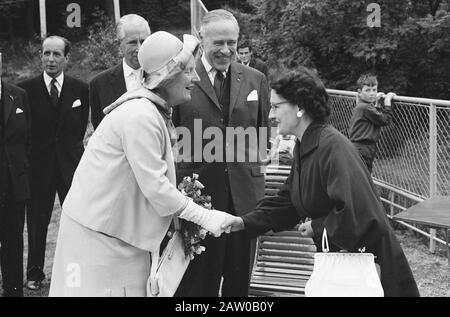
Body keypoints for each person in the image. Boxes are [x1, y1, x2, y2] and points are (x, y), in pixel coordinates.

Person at [49, 31, 234, 297]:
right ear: (168, 76)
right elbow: (157, 188)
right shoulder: (141, 116)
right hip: (98, 236)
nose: (195, 79)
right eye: (189, 72)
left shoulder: (151, 110)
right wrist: (208, 217)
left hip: (116, 233)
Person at [222, 67, 420, 297]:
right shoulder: (306, 143)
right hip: (341, 268)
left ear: (300, 107)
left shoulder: (333, 148)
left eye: (276, 106)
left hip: (371, 274)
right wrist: (242, 222)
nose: (270, 115)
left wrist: (317, 226)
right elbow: (286, 202)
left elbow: (361, 214)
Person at [173, 9, 270, 297]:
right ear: (202, 39)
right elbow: (172, 138)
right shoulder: (182, 79)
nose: (226, 50)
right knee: (198, 284)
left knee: (238, 285)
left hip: (244, 203)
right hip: (198, 202)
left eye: (232, 43)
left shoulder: (256, 80)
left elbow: (261, 138)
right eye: (218, 43)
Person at [17, 36, 89, 291]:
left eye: (57, 54)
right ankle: (35, 273)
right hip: (38, 167)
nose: (50, 59)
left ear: (67, 58)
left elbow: (79, 128)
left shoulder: (80, 89)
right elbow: (22, 130)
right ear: (40, 56)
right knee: (37, 222)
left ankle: (77, 270)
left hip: (70, 167)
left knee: (77, 221)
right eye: (46, 53)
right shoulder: (25, 89)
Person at [89, 14, 151, 129]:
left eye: (143, 41)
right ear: (119, 45)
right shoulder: (99, 84)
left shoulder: (162, 77)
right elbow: (100, 130)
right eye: (132, 42)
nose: (139, 48)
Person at [0, 74, 31, 297]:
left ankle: (13, 289)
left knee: (13, 241)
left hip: (14, 184)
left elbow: (28, 138)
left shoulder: (18, 95)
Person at [348, 74, 395, 174]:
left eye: (374, 90)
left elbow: (374, 117)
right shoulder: (366, 107)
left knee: (361, 177)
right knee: (364, 178)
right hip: (364, 148)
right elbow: (385, 120)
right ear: (359, 93)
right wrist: (387, 102)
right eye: (368, 90)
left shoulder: (362, 106)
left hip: (358, 147)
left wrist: (376, 103)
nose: (372, 94)